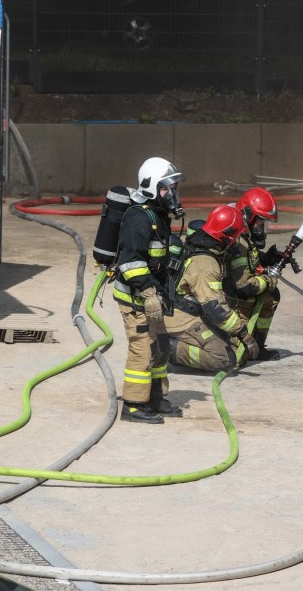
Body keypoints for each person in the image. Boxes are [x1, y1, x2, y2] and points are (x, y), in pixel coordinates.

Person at [112, 157, 186, 424]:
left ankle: (155, 397)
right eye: (167, 188)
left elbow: (159, 254)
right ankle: (133, 406)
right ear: (152, 187)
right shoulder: (138, 217)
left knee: (160, 347)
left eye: (174, 188)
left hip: (152, 294)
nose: (172, 194)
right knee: (142, 348)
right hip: (134, 297)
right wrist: (147, 293)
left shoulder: (159, 215)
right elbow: (130, 263)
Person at [165, 205, 260, 371]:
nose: (237, 242)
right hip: (181, 320)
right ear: (226, 237)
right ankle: (164, 348)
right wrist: (243, 334)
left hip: (190, 312)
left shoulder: (203, 246)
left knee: (234, 347)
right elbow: (215, 308)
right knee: (225, 358)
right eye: (236, 237)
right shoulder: (206, 264)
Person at [224, 187, 281, 361]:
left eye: (265, 225)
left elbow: (250, 261)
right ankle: (245, 346)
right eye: (260, 223)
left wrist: (266, 259)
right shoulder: (238, 239)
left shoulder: (245, 232)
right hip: (229, 297)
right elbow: (244, 285)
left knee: (271, 296)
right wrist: (269, 280)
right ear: (249, 215)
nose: (263, 229)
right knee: (237, 357)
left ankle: (258, 345)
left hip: (235, 290)